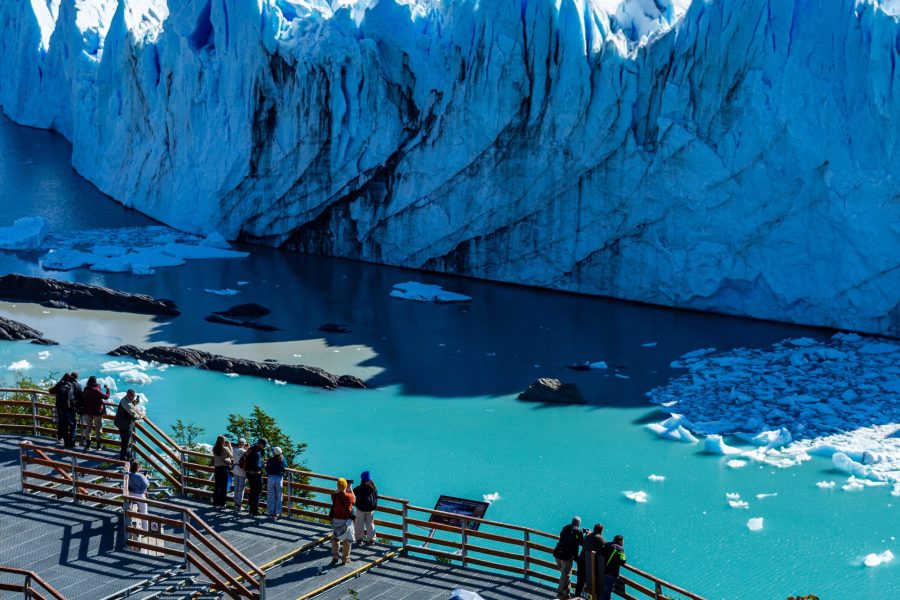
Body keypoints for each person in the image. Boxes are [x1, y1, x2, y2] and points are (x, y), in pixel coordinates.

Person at [552, 516, 583, 599]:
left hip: (557, 553)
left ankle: (567, 594)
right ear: (579, 523)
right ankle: (560, 595)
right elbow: (581, 542)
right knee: (565, 575)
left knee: (566, 574)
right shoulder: (578, 531)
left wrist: (580, 532)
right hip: (566, 556)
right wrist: (584, 534)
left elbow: (565, 536)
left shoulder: (565, 527)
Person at [49, 372, 82, 448]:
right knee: (73, 425)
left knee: (63, 425)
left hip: (60, 407)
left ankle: (66, 442)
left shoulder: (61, 384)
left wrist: (61, 381)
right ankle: (72, 442)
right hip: (71, 408)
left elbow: (51, 391)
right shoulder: (75, 384)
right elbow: (81, 395)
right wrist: (78, 407)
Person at [329, 477, 356, 566]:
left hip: (336, 521)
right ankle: (345, 559)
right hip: (345, 522)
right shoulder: (349, 496)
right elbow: (354, 500)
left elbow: (336, 492)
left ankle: (335, 557)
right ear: (346, 486)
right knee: (346, 541)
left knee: (335, 539)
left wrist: (340, 488)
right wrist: (350, 488)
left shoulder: (334, 496)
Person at [577, 523, 606, 598]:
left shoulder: (587, 536)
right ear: (601, 530)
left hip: (582, 560)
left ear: (594, 528)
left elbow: (583, 543)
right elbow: (605, 550)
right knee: (594, 583)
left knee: (580, 580)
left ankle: (577, 596)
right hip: (591, 564)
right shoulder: (601, 539)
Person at [80, 376, 110, 450]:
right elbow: (106, 397)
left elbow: (82, 396)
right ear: (95, 381)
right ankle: (99, 446)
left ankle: (88, 445)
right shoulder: (96, 390)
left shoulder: (86, 389)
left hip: (88, 411)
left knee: (88, 428)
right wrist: (108, 389)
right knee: (98, 428)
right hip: (97, 412)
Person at [114, 389, 144, 460]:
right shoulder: (126, 403)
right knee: (125, 442)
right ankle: (123, 457)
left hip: (121, 423)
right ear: (130, 395)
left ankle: (124, 454)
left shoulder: (124, 400)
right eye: (133, 396)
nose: (134, 397)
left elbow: (130, 404)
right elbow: (134, 415)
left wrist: (136, 402)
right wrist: (141, 415)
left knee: (124, 441)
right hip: (125, 425)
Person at [352, 470, 378, 545]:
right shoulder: (372, 488)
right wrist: (374, 486)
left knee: (359, 523)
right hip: (370, 509)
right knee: (370, 524)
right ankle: (371, 539)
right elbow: (376, 494)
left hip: (361, 508)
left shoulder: (359, 488)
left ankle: (359, 539)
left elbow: (353, 493)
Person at [244, 438, 267, 517]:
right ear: (261, 444)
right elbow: (257, 464)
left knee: (252, 490)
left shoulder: (251, 449)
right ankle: (254, 510)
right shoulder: (257, 451)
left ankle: (250, 508)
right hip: (256, 474)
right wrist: (263, 464)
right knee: (258, 492)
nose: (264, 447)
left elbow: (244, 457)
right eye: (264, 445)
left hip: (249, 473)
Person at [600, 535, 627, 600]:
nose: (623, 543)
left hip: (603, 570)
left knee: (605, 591)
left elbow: (601, 554)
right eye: (623, 542)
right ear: (620, 542)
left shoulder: (607, 545)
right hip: (612, 573)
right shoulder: (620, 549)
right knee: (607, 592)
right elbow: (623, 561)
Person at [127, 460, 150, 531]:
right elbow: (146, 485)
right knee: (144, 512)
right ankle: (145, 529)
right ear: (138, 468)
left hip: (130, 494)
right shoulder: (140, 476)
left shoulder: (128, 474)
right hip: (139, 495)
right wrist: (145, 477)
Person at [212, 435, 233, 507]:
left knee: (217, 485)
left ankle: (215, 502)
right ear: (223, 441)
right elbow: (231, 456)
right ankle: (222, 503)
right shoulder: (226, 448)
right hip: (224, 469)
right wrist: (229, 446)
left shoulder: (214, 448)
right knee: (224, 486)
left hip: (217, 468)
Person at [265, 446, 286, 519]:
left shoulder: (270, 460)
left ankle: (271, 513)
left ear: (274, 453)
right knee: (279, 496)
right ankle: (277, 513)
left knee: (271, 495)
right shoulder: (283, 459)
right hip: (279, 478)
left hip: (271, 478)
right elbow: (285, 468)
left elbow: (267, 468)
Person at [232, 438, 249, 513]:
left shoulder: (234, 449)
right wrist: (247, 447)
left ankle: (235, 503)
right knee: (241, 489)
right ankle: (238, 506)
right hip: (241, 471)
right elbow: (248, 452)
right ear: (243, 444)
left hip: (235, 470)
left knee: (236, 487)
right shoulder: (242, 451)